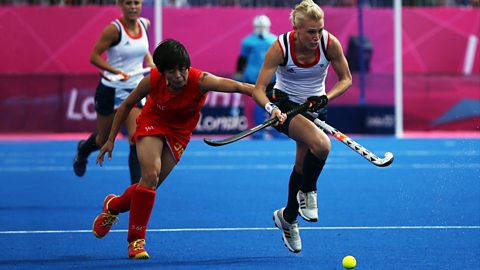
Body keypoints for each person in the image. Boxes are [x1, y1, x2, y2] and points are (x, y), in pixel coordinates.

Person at [93, 39, 254, 259]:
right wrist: (110, 139)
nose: (178, 76)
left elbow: (241, 87)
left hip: (179, 134)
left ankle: (113, 205)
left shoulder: (201, 80)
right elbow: (126, 105)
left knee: (149, 186)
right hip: (152, 121)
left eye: (182, 69)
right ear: (162, 71)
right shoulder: (152, 80)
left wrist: (271, 102)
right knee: (150, 175)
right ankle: (136, 241)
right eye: (172, 71)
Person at [251, 0, 352, 253]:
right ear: (296, 29)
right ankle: (309, 190)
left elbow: (346, 79)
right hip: (285, 107)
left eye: (319, 30)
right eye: (311, 31)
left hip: (316, 107)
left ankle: (288, 217)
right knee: (322, 145)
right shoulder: (280, 48)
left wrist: (326, 97)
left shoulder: (330, 44)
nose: (316, 36)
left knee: (301, 165)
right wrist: (271, 109)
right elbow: (259, 90)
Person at [73, 0, 155, 184]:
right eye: (128, 3)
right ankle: (82, 150)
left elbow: (143, 49)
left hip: (134, 89)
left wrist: (149, 61)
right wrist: (115, 71)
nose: (133, 7)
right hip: (111, 90)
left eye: (136, 3)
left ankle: (135, 191)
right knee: (103, 140)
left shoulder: (145, 24)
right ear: (121, 5)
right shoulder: (114, 30)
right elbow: (94, 57)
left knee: (135, 138)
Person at [235, 14, 278, 139]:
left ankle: (277, 129)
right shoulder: (247, 41)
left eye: (263, 26)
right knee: (255, 105)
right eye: (259, 26)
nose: (261, 28)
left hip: (272, 78)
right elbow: (242, 58)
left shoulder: (274, 40)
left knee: (274, 104)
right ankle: (257, 131)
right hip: (252, 78)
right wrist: (239, 72)